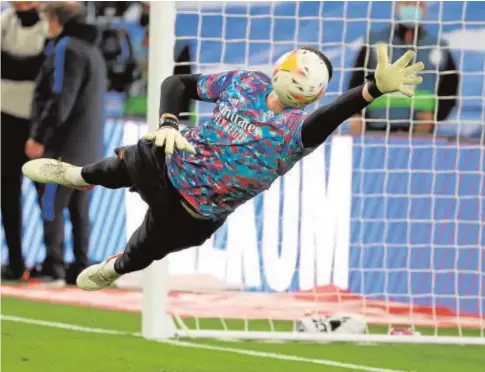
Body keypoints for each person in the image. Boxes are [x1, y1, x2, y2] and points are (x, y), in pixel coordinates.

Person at [22, 44, 425, 291]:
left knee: (142, 253)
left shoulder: (297, 131)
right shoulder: (245, 83)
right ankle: (76, 175)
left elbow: (334, 114)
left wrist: (370, 90)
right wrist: (168, 122)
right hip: (173, 159)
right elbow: (177, 85)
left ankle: (115, 268)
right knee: (129, 159)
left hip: (197, 212)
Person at [25, 1, 107, 286]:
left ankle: (53, 266)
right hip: (89, 148)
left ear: (55, 19)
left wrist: (39, 137)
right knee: (79, 209)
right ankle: (80, 266)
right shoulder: (93, 52)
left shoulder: (66, 48)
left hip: (63, 147)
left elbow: (61, 98)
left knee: (52, 205)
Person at [348, 1, 459, 135]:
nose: (412, 8)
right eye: (407, 4)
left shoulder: (438, 46)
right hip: (376, 126)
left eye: (417, 4)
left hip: (421, 130)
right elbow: (357, 81)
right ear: (397, 7)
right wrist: (356, 114)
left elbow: (450, 86)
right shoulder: (374, 42)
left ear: (425, 9)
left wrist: (435, 116)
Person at [1, 1, 49, 280]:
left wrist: (11, 63)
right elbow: (31, 67)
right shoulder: (5, 21)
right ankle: (16, 261)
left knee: (46, 191)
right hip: (5, 118)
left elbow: (41, 69)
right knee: (7, 193)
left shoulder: (47, 24)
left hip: (37, 121)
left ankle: (51, 261)